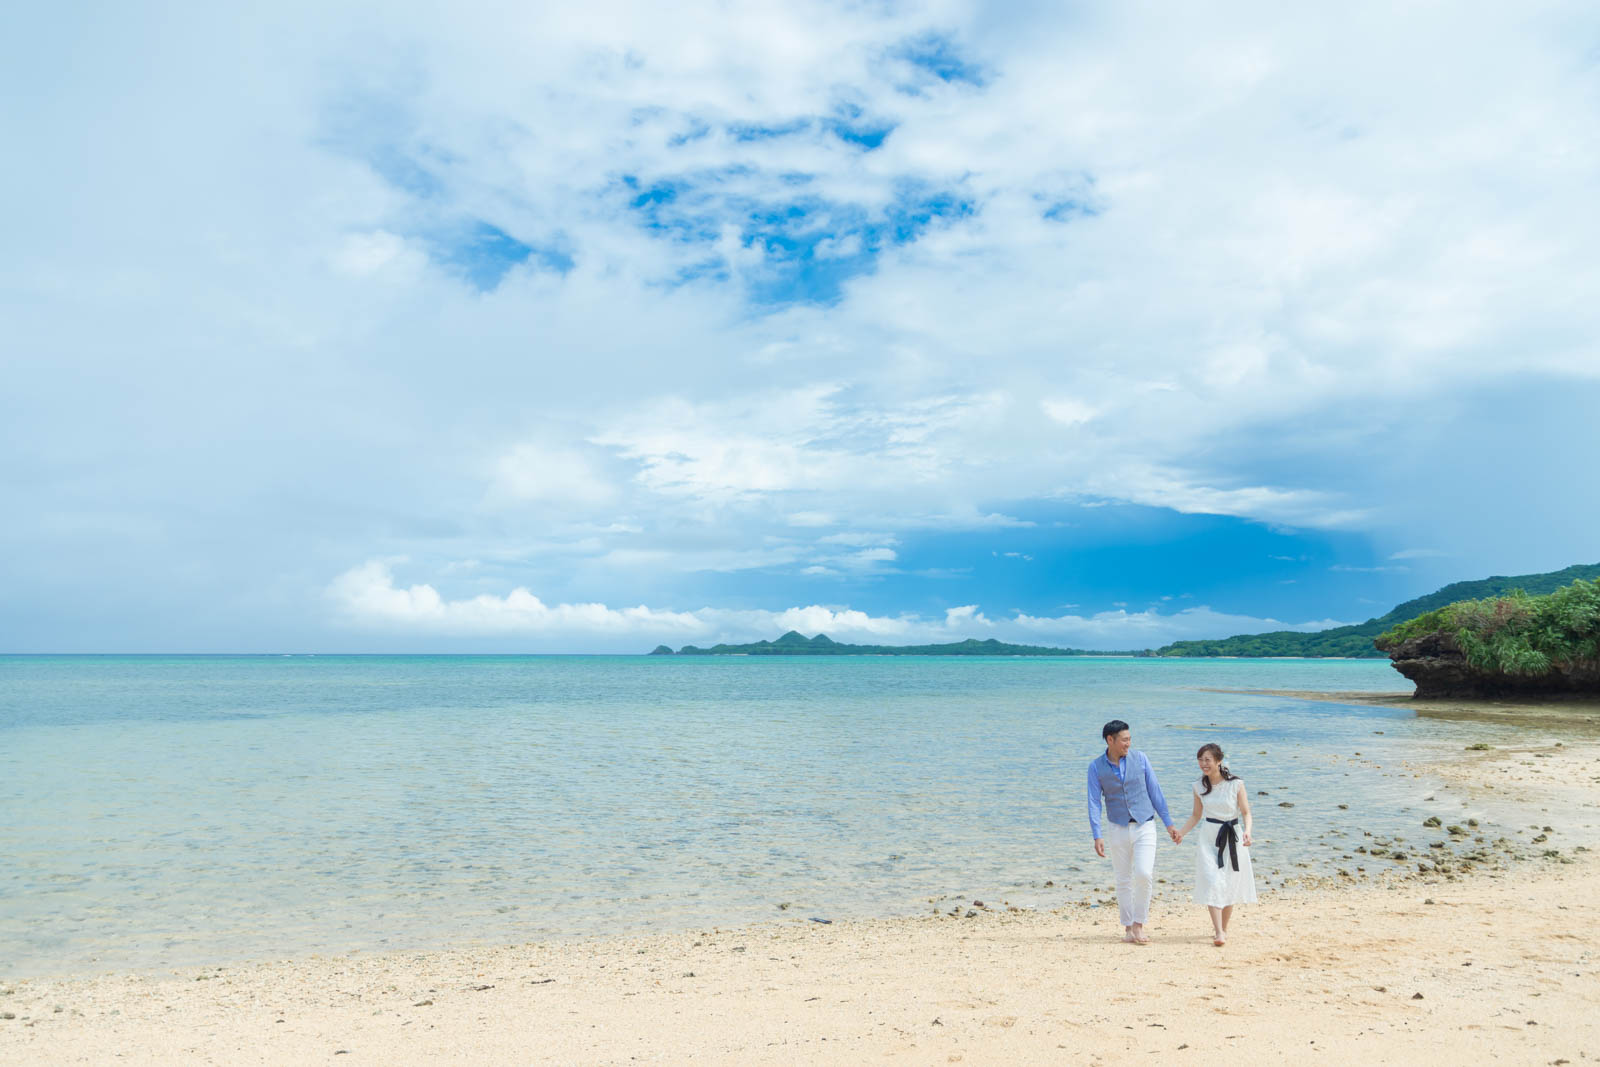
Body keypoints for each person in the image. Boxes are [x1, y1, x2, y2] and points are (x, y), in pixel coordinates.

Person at [1087, 719, 1179, 944]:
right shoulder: (1095, 767)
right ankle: (1128, 927)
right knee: (1123, 879)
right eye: (1124, 740)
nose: (1128, 743)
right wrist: (1097, 834)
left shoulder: (1141, 759)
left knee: (1144, 874)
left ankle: (1139, 924)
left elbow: (1155, 791)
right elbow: (1094, 802)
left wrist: (1168, 823)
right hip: (1117, 827)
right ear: (1110, 740)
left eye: (1130, 739)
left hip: (1145, 824)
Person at [1172, 742, 1257, 946]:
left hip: (1233, 836)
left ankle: (1223, 930)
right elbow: (1196, 815)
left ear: (1219, 761)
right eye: (1200, 760)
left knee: (1229, 883)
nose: (1203, 764)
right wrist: (1181, 833)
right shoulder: (1198, 786)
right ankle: (1218, 931)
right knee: (1212, 880)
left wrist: (1247, 832)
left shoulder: (1236, 784)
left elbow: (1246, 812)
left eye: (1207, 760)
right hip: (1209, 837)